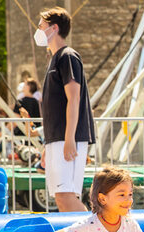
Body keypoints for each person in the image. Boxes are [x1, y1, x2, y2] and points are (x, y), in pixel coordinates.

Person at [36, 7, 96, 212]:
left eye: (41, 26)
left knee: (66, 196)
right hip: (57, 138)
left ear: (54, 28)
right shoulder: (54, 59)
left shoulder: (67, 56)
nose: (39, 30)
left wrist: (69, 137)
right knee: (61, 198)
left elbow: (74, 97)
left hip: (68, 137)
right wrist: (48, 144)